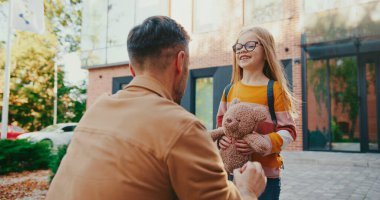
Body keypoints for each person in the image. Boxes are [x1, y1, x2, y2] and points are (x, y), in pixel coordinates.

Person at [46, 16, 266, 200]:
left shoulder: (96, 109)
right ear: (180, 62)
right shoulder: (183, 127)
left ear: (132, 69)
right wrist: (247, 190)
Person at [216, 26, 298, 200]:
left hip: (265, 178)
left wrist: (262, 142)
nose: (242, 50)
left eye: (250, 45)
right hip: (231, 174)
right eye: (238, 47)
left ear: (266, 50)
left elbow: (289, 131)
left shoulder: (275, 90)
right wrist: (220, 139)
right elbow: (221, 125)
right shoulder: (229, 90)